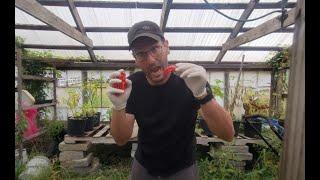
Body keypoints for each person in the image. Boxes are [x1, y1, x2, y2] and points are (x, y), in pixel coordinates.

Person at [107, 21, 234, 180]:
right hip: (144, 165)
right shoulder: (133, 85)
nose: (151, 60)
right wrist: (118, 105)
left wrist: (202, 94)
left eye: (155, 48)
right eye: (141, 53)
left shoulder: (190, 80)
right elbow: (120, 139)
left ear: (166, 46)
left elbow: (227, 134)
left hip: (182, 167)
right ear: (135, 59)